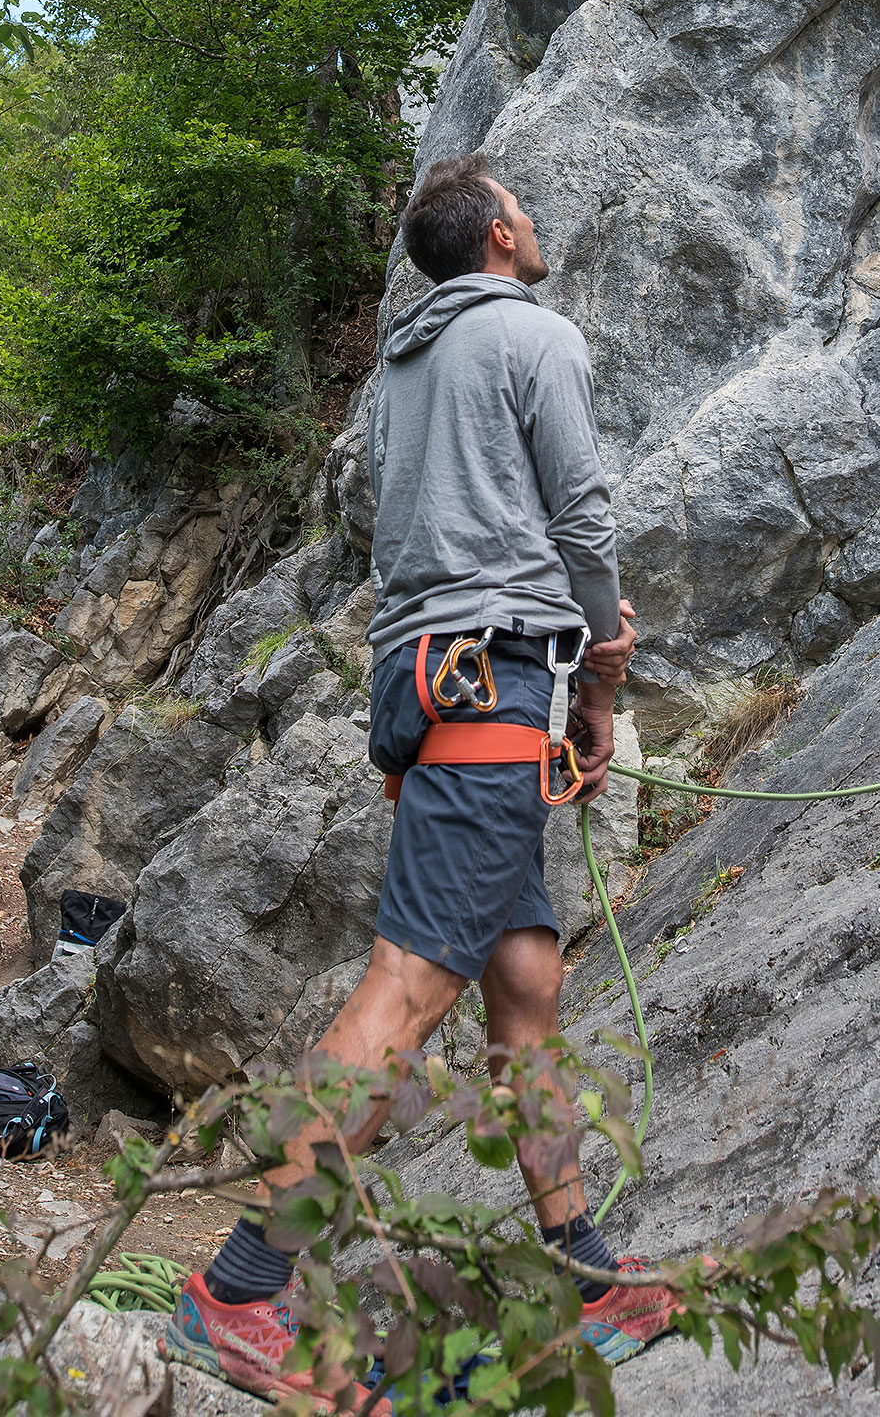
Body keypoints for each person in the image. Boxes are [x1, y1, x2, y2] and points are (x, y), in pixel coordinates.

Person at [168, 153, 674, 1407]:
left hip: (421, 681)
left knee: (525, 982)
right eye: (525, 210)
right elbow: (584, 520)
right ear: (499, 235)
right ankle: (239, 1290)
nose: (536, 224)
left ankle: (582, 1272)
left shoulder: (401, 371)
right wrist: (601, 676)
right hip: (492, 678)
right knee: (407, 988)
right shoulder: (534, 336)